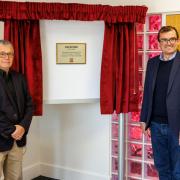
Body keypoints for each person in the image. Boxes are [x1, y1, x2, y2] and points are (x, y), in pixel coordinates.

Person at [140, 26, 180, 180]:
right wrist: (144, 119)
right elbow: (148, 93)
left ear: (177, 41)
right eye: (164, 40)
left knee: (178, 171)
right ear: (159, 42)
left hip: (176, 126)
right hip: (156, 126)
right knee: (162, 168)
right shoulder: (152, 63)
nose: (168, 43)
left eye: (171, 39)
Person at [0, 40, 33, 180]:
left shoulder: (20, 78)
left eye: (10, 54)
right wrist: (11, 130)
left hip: (17, 141)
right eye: (2, 54)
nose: (7, 57)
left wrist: (22, 127)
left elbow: (30, 105)